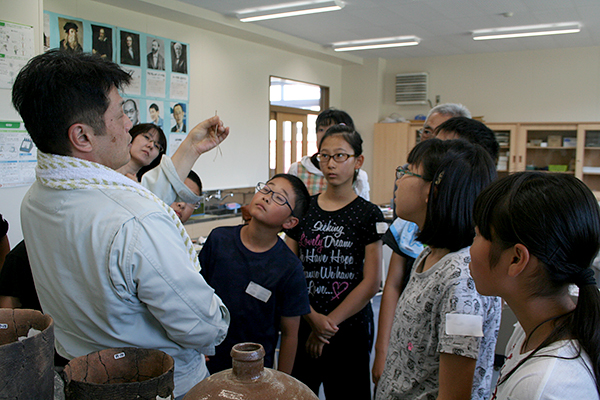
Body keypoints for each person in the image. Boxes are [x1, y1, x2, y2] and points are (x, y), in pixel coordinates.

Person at [12, 49, 230, 399]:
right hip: (158, 384)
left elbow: (121, 205)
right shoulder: (136, 220)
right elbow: (202, 327)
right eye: (120, 114)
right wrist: (219, 319)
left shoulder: (39, 197)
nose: (130, 124)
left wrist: (190, 147)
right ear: (82, 136)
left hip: (84, 379)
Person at [375, 139, 501, 400]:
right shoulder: (430, 253)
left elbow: (455, 393)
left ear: (432, 190)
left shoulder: (463, 282)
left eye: (408, 170)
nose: (398, 179)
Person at [470, 172, 600, 400]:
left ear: (516, 259)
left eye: (478, 234)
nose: (469, 248)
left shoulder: (545, 387)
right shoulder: (531, 329)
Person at [285, 125, 384, 399]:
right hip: (304, 322)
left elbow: (372, 281)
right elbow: (288, 266)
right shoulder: (304, 207)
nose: (330, 164)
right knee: (299, 392)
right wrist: (313, 319)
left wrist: (326, 327)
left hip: (348, 328)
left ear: (357, 161)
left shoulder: (369, 214)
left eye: (340, 156)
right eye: (324, 156)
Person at [200, 174, 311, 374]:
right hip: (206, 360)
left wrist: (282, 383)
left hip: (255, 370)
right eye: (267, 189)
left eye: (279, 197)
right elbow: (195, 297)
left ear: (290, 221)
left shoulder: (289, 267)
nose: (267, 197)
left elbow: (289, 334)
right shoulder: (219, 239)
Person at [287, 108, 370, 200]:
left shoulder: (359, 176)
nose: (325, 135)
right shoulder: (298, 169)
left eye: (332, 130)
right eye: (321, 130)